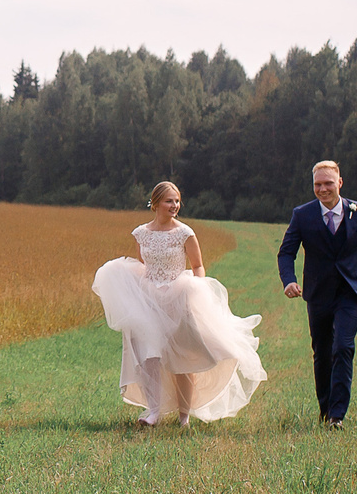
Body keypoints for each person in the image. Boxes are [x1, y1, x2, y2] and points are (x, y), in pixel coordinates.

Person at [92, 181, 268, 428]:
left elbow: (197, 265)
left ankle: (183, 415)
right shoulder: (141, 233)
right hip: (150, 298)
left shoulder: (185, 232)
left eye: (176, 201)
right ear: (155, 204)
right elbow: (143, 264)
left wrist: (196, 291)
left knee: (181, 357)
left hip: (178, 296)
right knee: (148, 354)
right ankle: (153, 410)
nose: (174, 206)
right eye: (169, 201)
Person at [277, 160, 357, 430]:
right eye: (318, 184)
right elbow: (286, 252)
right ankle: (326, 409)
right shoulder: (302, 215)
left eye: (328, 183)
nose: (323, 189)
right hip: (317, 294)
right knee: (322, 351)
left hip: (350, 293)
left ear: (340, 183)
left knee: (343, 347)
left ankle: (337, 416)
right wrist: (289, 281)